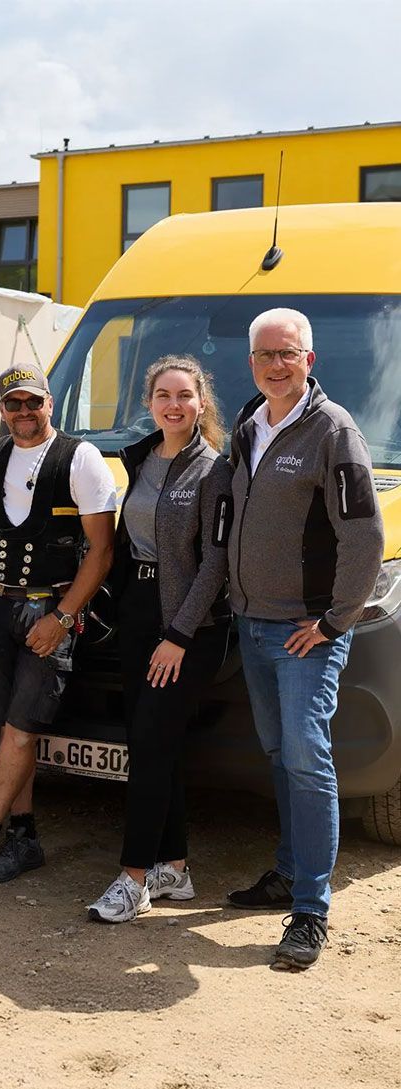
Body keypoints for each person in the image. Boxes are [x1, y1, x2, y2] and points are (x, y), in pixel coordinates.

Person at [225, 307, 383, 969]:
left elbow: (365, 537)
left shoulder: (333, 430)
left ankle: (310, 911)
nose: (275, 364)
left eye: (287, 353)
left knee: (306, 757)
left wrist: (333, 621)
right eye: (265, 354)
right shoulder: (249, 423)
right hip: (252, 624)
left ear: (309, 361)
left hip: (305, 633)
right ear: (253, 362)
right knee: (279, 752)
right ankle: (288, 873)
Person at [0, 363, 116, 883]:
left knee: (19, 729)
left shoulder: (80, 458)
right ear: (1, 410)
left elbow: (101, 552)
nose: (24, 412)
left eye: (33, 402)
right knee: (9, 730)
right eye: (13, 404)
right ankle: (25, 836)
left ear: (50, 404)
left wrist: (62, 616)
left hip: (49, 611)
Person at [87, 355, 232, 922]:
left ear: (202, 403)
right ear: (149, 403)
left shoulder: (215, 469)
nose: (174, 405)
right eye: (164, 395)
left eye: (185, 395)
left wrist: (178, 635)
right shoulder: (140, 458)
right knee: (152, 744)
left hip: (189, 626)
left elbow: (215, 564)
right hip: (138, 613)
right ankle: (175, 868)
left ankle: (134, 878)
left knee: (148, 749)